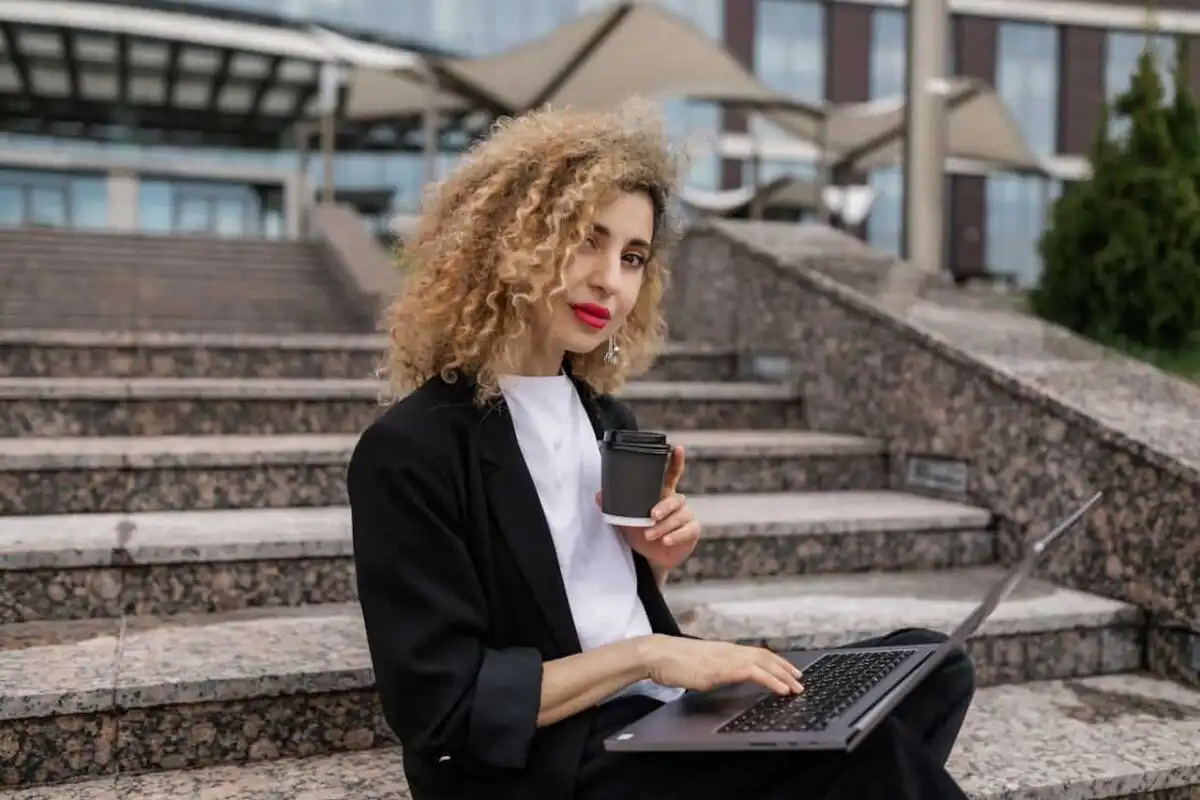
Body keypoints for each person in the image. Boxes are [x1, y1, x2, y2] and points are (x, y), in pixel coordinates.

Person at [347, 102, 976, 800]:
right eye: (586, 240)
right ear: (513, 239)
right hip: (551, 761)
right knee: (873, 757)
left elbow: (597, 601)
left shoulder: (605, 418)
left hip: (654, 722)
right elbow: (446, 707)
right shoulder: (412, 449)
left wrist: (653, 565)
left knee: (932, 666)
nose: (609, 280)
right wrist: (656, 652)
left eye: (632, 257)